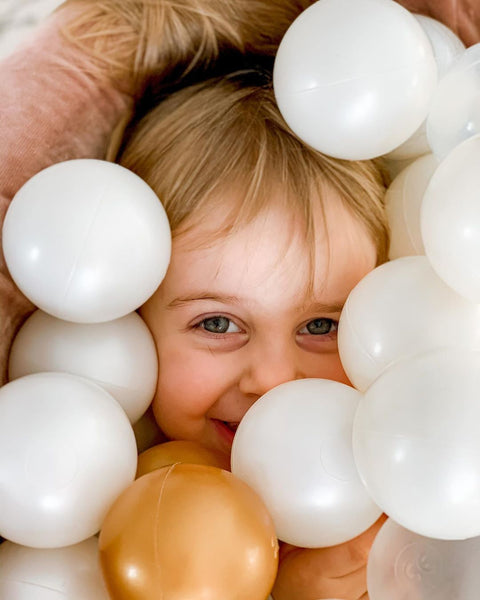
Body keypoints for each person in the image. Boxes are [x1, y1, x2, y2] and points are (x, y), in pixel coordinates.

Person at [0, 1, 476, 598]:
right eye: (218, 323)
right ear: (129, 318)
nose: (272, 380)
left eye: (322, 326)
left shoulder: (416, 492)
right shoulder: (75, 480)